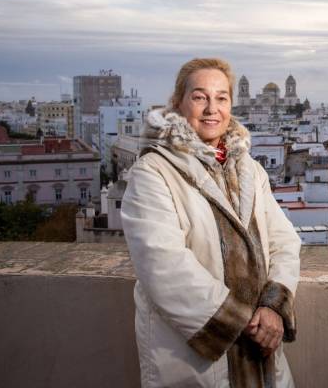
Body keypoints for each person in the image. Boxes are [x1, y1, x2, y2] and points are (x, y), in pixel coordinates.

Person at [121, 58, 301, 388]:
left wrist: (274, 307)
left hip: (261, 354)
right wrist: (245, 323)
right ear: (178, 103)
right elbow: (162, 264)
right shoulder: (153, 172)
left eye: (221, 98)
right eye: (200, 97)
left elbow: (284, 241)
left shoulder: (250, 170)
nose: (211, 109)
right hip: (198, 358)